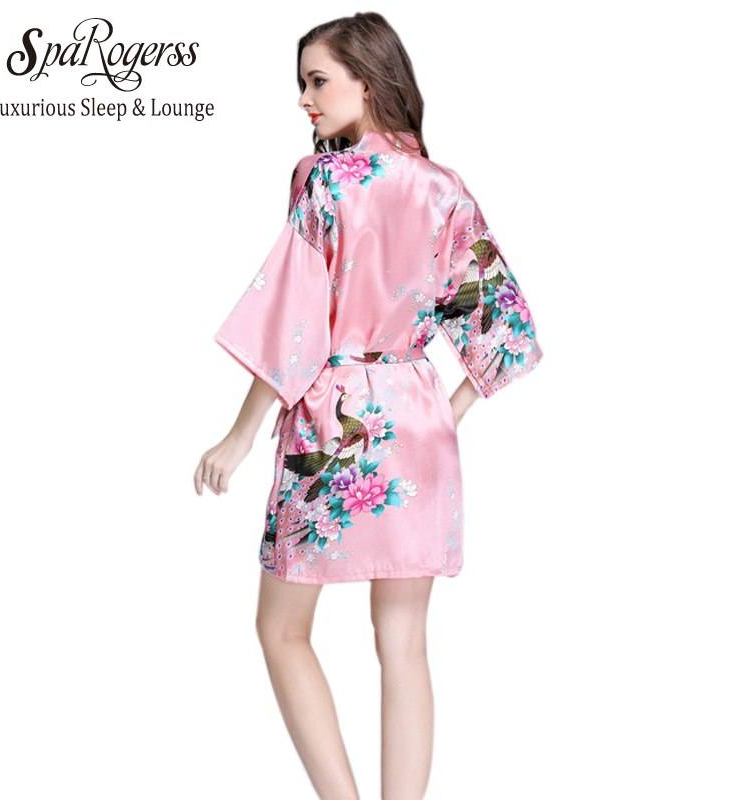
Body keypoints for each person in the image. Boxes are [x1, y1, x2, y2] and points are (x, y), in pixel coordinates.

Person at [194, 12, 543, 799]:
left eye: (317, 80)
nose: (304, 99)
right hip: (417, 412)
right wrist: (445, 411)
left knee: (281, 629)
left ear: (368, 78)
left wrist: (238, 436)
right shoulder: (445, 188)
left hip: (335, 417)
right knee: (405, 642)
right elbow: (503, 325)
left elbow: (295, 321)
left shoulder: (323, 180)